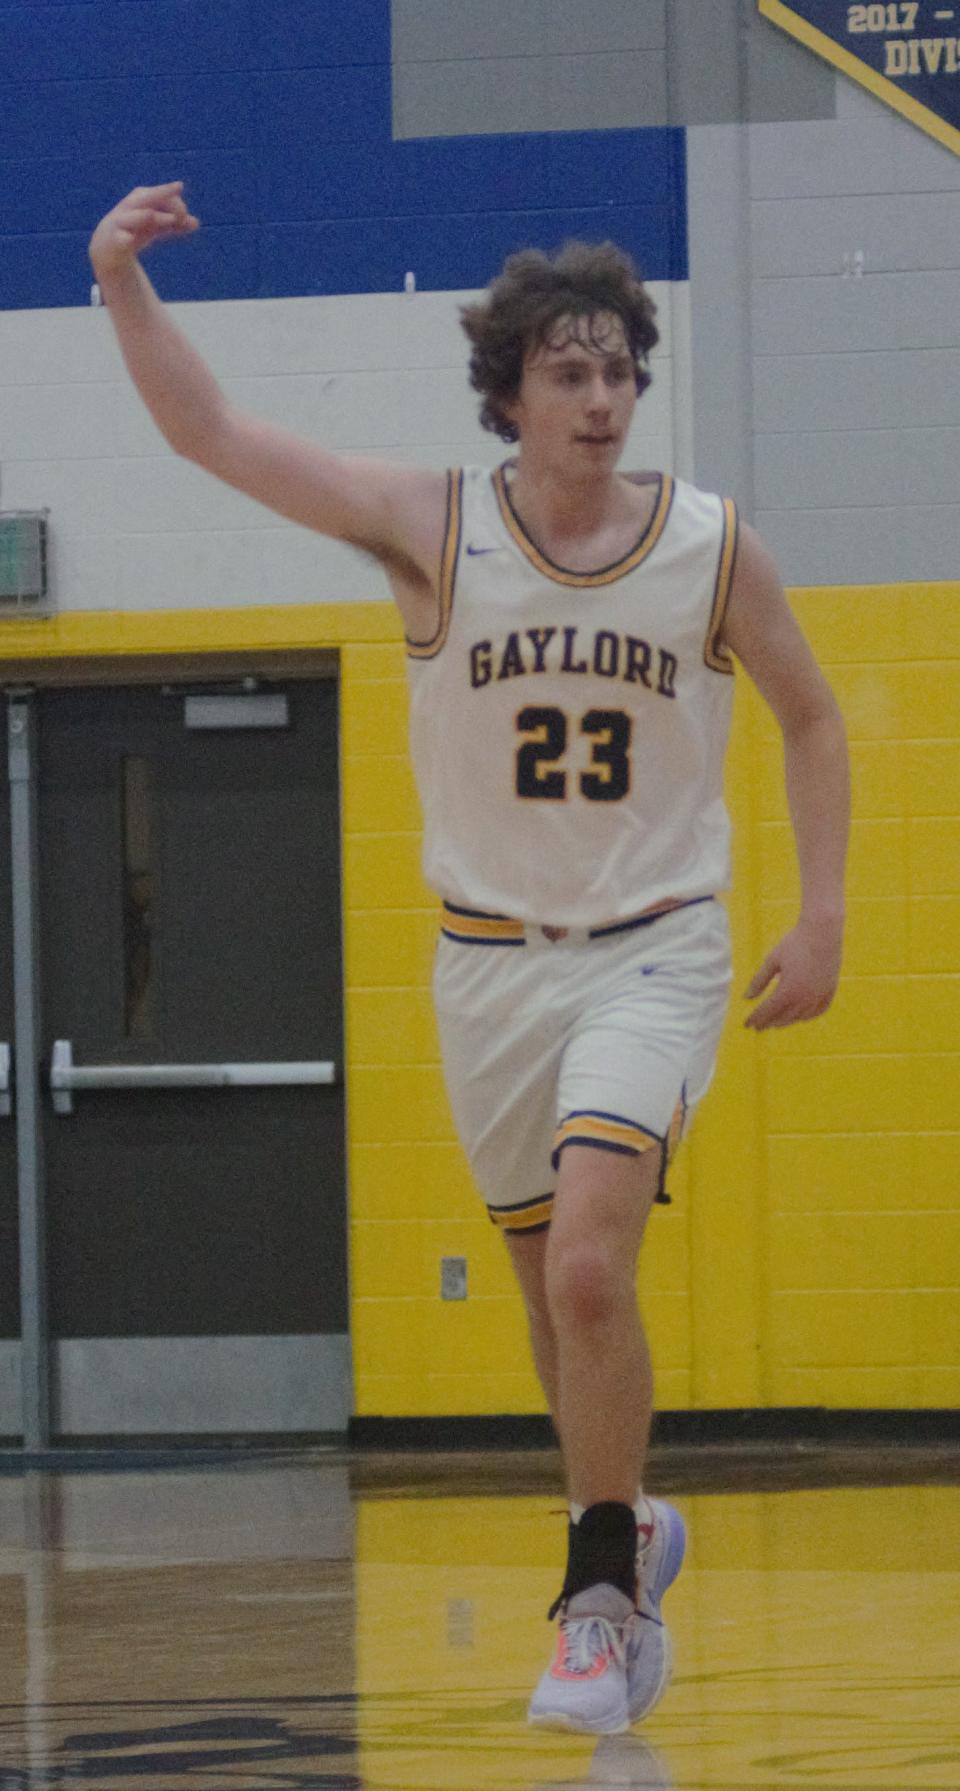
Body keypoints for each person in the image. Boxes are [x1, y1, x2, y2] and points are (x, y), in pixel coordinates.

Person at [89, 184, 850, 1736]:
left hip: (655, 948)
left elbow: (814, 715)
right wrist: (117, 284)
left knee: (587, 1261)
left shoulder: (710, 550)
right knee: (547, 1302)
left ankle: (597, 1602)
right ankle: (627, 1517)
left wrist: (822, 909)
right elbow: (211, 438)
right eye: (566, 373)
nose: (599, 399)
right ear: (508, 393)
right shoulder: (436, 526)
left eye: (620, 372)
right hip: (487, 967)